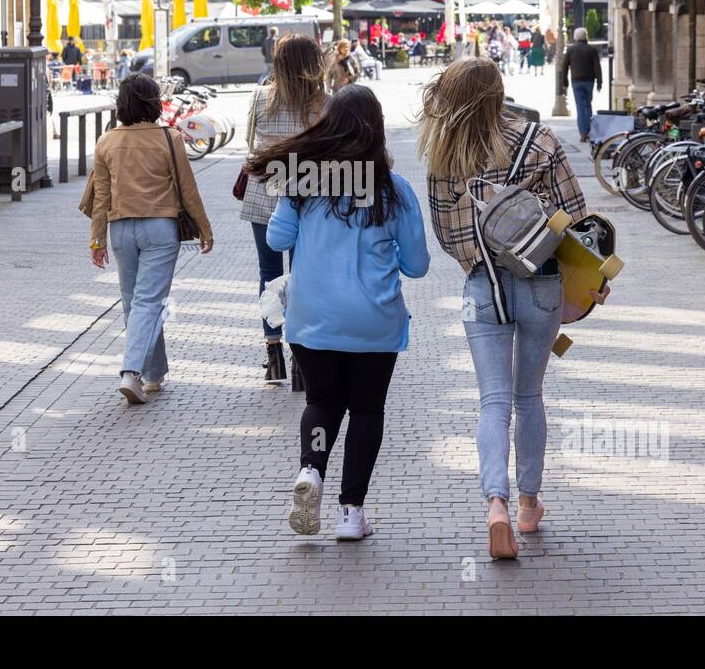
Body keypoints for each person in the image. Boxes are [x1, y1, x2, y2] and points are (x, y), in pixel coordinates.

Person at [419, 57, 587, 559]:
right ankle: (529, 505)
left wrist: (480, 257)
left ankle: (495, 502)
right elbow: (576, 217)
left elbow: (448, 235)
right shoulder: (539, 140)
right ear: (500, 91)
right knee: (528, 397)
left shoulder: (443, 153)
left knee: (492, 401)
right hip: (541, 285)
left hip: (481, 289)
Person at [248, 85, 430, 540]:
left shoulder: (304, 184)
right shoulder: (394, 189)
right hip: (374, 321)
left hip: (312, 320)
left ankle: (311, 470)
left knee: (322, 404)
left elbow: (276, 241)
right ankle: (351, 514)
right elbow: (418, 265)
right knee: (367, 410)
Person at [88, 74, 214, 405]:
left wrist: (96, 240)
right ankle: (132, 372)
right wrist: (204, 227)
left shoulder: (107, 141)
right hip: (160, 228)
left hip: (120, 230)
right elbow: (188, 188)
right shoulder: (169, 138)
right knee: (149, 302)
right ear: (153, 102)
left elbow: (101, 197)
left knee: (136, 303)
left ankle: (153, 374)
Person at [241, 33, 328, 385]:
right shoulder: (325, 103)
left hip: (265, 196)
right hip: (309, 199)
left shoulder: (261, 99)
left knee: (269, 272)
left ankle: (273, 352)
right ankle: (301, 357)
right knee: (304, 273)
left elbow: (250, 144)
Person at [561, 26, 602, 143]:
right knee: (588, 106)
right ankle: (588, 131)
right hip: (589, 81)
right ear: (586, 36)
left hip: (576, 81)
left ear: (575, 37)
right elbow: (597, 67)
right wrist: (599, 81)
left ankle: (582, 133)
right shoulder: (592, 50)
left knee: (580, 107)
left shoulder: (571, 50)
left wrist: (565, 82)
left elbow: (564, 67)